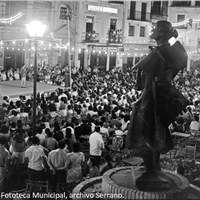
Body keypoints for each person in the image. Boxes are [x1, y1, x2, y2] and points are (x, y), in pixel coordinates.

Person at [126, 20, 190, 183]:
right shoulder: (172, 52)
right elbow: (181, 59)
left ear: (160, 33)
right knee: (156, 133)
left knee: (145, 134)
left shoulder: (157, 53)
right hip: (161, 98)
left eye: (154, 29)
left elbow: (140, 85)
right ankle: (154, 168)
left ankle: (150, 171)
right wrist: (173, 39)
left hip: (150, 98)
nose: (151, 30)